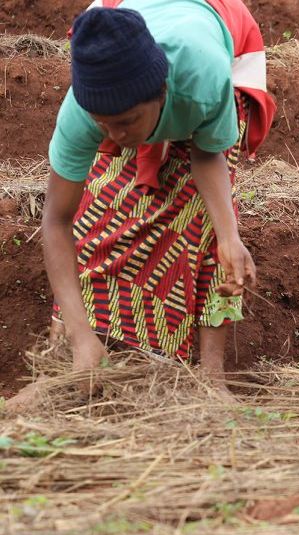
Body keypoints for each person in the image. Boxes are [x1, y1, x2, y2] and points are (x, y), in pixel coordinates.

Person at [6, 0, 275, 411]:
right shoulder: (83, 109)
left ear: (163, 93)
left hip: (223, 41)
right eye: (103, 124)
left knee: (199, 219)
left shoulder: (203, 78)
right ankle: (63, 360)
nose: (115, 134)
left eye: (126, 121)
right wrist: (81, 335)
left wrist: (228, 235)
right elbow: (58, 221)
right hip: (123, 27)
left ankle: (211, 380)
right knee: (96, 213)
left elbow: (207, 157)